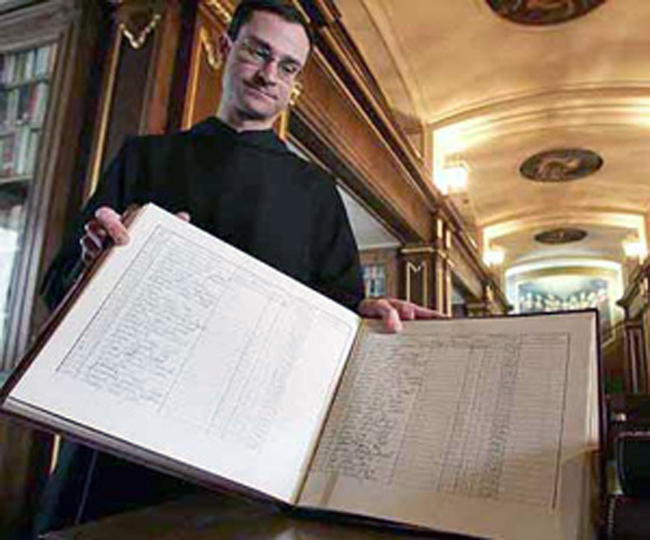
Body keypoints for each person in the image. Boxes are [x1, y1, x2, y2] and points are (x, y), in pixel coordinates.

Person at [36, 0, 441, 532]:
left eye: (288, 67)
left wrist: (365, 315)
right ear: (226, 49)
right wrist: (98, 263)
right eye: (258, 52)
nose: (270, 75)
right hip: (124, 442)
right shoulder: (146, 158)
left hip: (254, 455)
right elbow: (57, 288)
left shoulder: (317, 192)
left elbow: (338, 315)